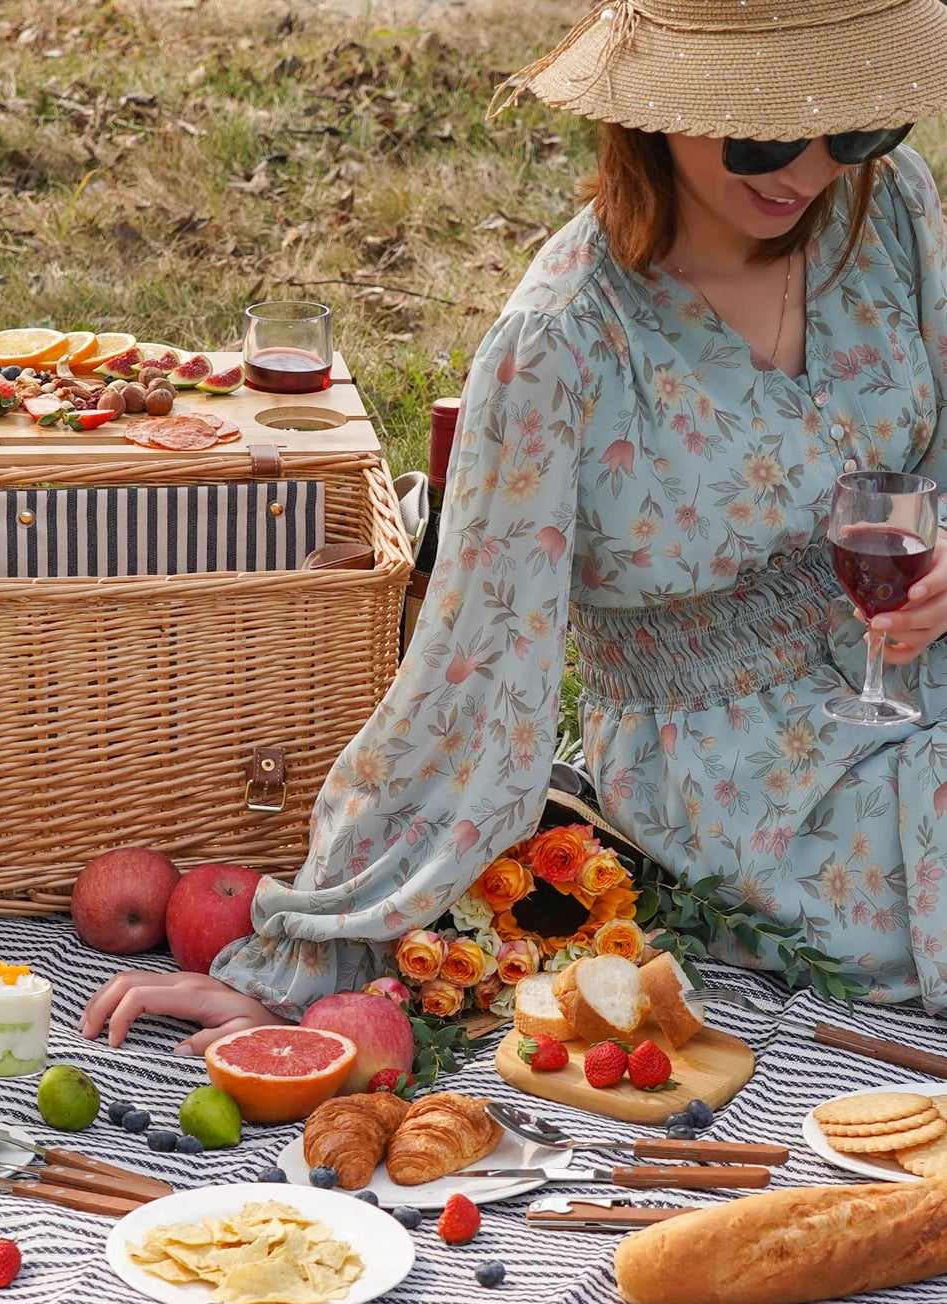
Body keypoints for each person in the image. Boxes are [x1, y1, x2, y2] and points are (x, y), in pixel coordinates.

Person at [82, 0, 947, 1050]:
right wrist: (307, 958)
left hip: (910, 657)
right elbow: (471, 663)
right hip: (740, 761)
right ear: (652, 109)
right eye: (762, 130)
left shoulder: (885, 207)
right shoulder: (560, 344)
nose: (806, 172)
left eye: (849, 126)